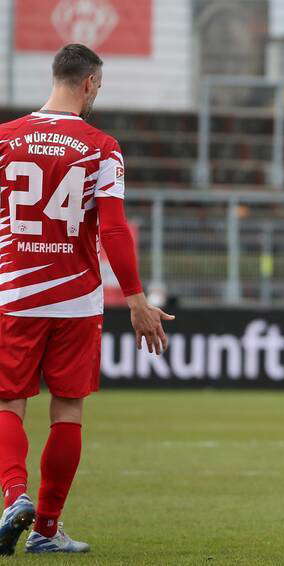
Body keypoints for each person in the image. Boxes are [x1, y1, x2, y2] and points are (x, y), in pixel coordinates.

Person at [0, 44, 173, 554]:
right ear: (91, 83)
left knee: (9, 400)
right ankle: (47, 532)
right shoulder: (102, 146)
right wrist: (137, 299)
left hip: (15, 292)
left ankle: (14, 496)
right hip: (75, 299)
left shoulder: (5, 139)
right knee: (67, 409)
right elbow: (114, 229)